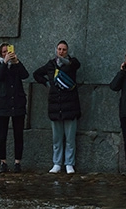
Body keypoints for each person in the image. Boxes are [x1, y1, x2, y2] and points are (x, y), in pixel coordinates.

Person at [33, 40, 81, 174]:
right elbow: (36, 74)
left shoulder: (71, 63)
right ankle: (57, 163)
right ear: (56, 50)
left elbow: (77, 64)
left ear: (67, 51)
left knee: (70, 138)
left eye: (64, 49)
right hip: (55, 105)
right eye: (59, 49)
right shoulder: (51, 64)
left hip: (70, 105)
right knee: (57, 138)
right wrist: (47, 83)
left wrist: (66, 62)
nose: (61, 52)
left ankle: (69, 164)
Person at [0, 42, 29, 173]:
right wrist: (4, 63)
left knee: (18, 135)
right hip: (3, 104)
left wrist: (16, 62)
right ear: (0, 54)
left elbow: (25, 75)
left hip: (17, 103)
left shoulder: (16, 65)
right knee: (2, 135)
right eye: (4, 52)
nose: (6, 53)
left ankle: (17, 162)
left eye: (8, 51)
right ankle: (3, 162)